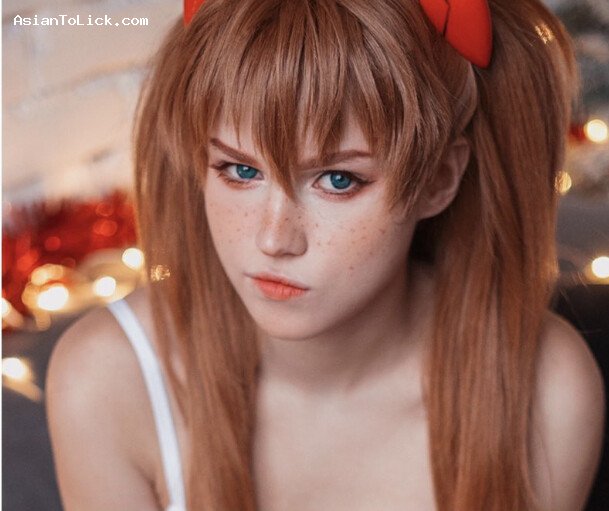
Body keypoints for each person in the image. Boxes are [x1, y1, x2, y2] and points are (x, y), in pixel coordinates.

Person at [46, 0, 606, 510]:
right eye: (240, 170)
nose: (274, 239)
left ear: (439, 179)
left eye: (338, 179)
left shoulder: (546, 394)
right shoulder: (107, 380)